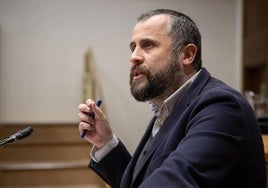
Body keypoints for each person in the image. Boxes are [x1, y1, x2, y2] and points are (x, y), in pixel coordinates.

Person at [78, 9, 266, 188]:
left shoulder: (221, 106)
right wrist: (106, 142)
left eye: (148, 45)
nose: (133, 57)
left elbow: (174, 181)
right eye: (133, 47)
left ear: (187, 55)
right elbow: (142, 182)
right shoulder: (168, 108)